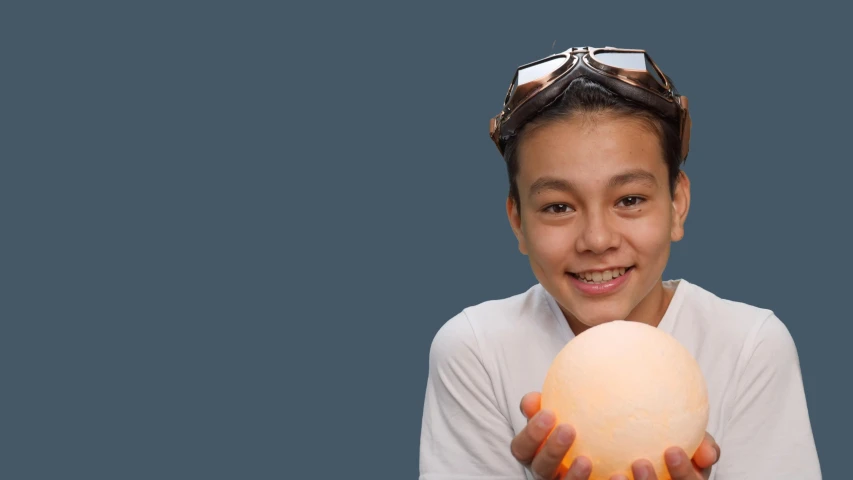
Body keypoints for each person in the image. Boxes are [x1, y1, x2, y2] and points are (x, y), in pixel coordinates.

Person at [418, 46, 821, 480]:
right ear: (517, 221)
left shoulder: (749, 347)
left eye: (629, 200)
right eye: (558, 207)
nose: (597, 239)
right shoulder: (476, 351)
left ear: (677, 204)